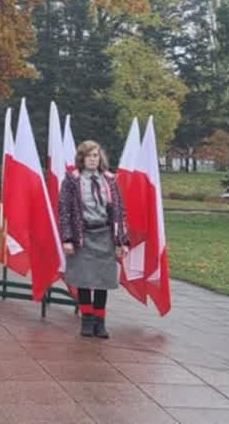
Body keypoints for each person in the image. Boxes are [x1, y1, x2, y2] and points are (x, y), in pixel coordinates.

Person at [57, 141, 130, 339]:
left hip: (104, 235)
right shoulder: (72, 180)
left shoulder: (110, 180)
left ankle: (100, 321)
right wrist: (67, 239)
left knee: (101, 280)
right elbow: (64, 211)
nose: (92, 159)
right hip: (83, 236)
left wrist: (123, 241)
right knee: (83, 278)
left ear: (101, 158)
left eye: (96, 155)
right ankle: (87, 320)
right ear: (81, 158)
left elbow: (119, 211)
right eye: (88, 156)